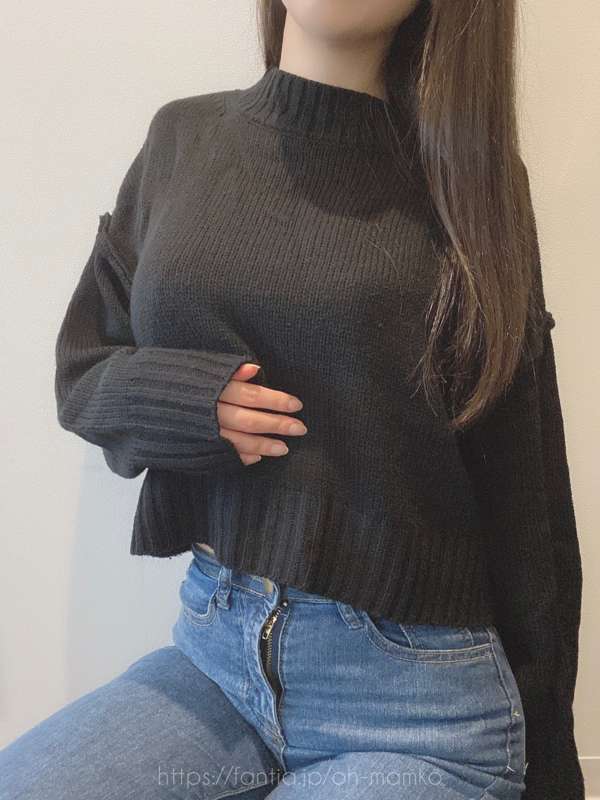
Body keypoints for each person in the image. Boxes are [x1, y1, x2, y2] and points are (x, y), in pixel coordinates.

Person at [0, 1, 584, 798]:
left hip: (416, 707)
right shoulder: (182, 139)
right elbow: (85, 367)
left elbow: (527, 489)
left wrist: (551, 764)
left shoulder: (474, 181)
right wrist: (186, 404)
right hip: (215, 659)